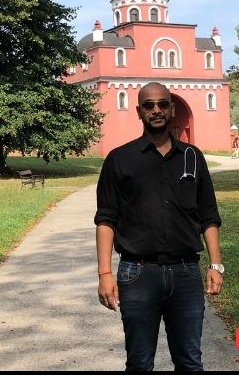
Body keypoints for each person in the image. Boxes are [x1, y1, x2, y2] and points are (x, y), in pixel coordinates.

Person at [95, 82, 223, 371]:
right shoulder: (119, 159)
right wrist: (104, 273)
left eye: (163, 104)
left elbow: (209, 216)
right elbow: (106, 219)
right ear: (139, 111)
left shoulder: (192, 157)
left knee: (190, 362)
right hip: (137, 274)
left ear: (172, 108)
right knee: (140, 363)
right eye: (149, 105)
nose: (156, 110)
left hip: (186, 273)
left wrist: (216, 264)